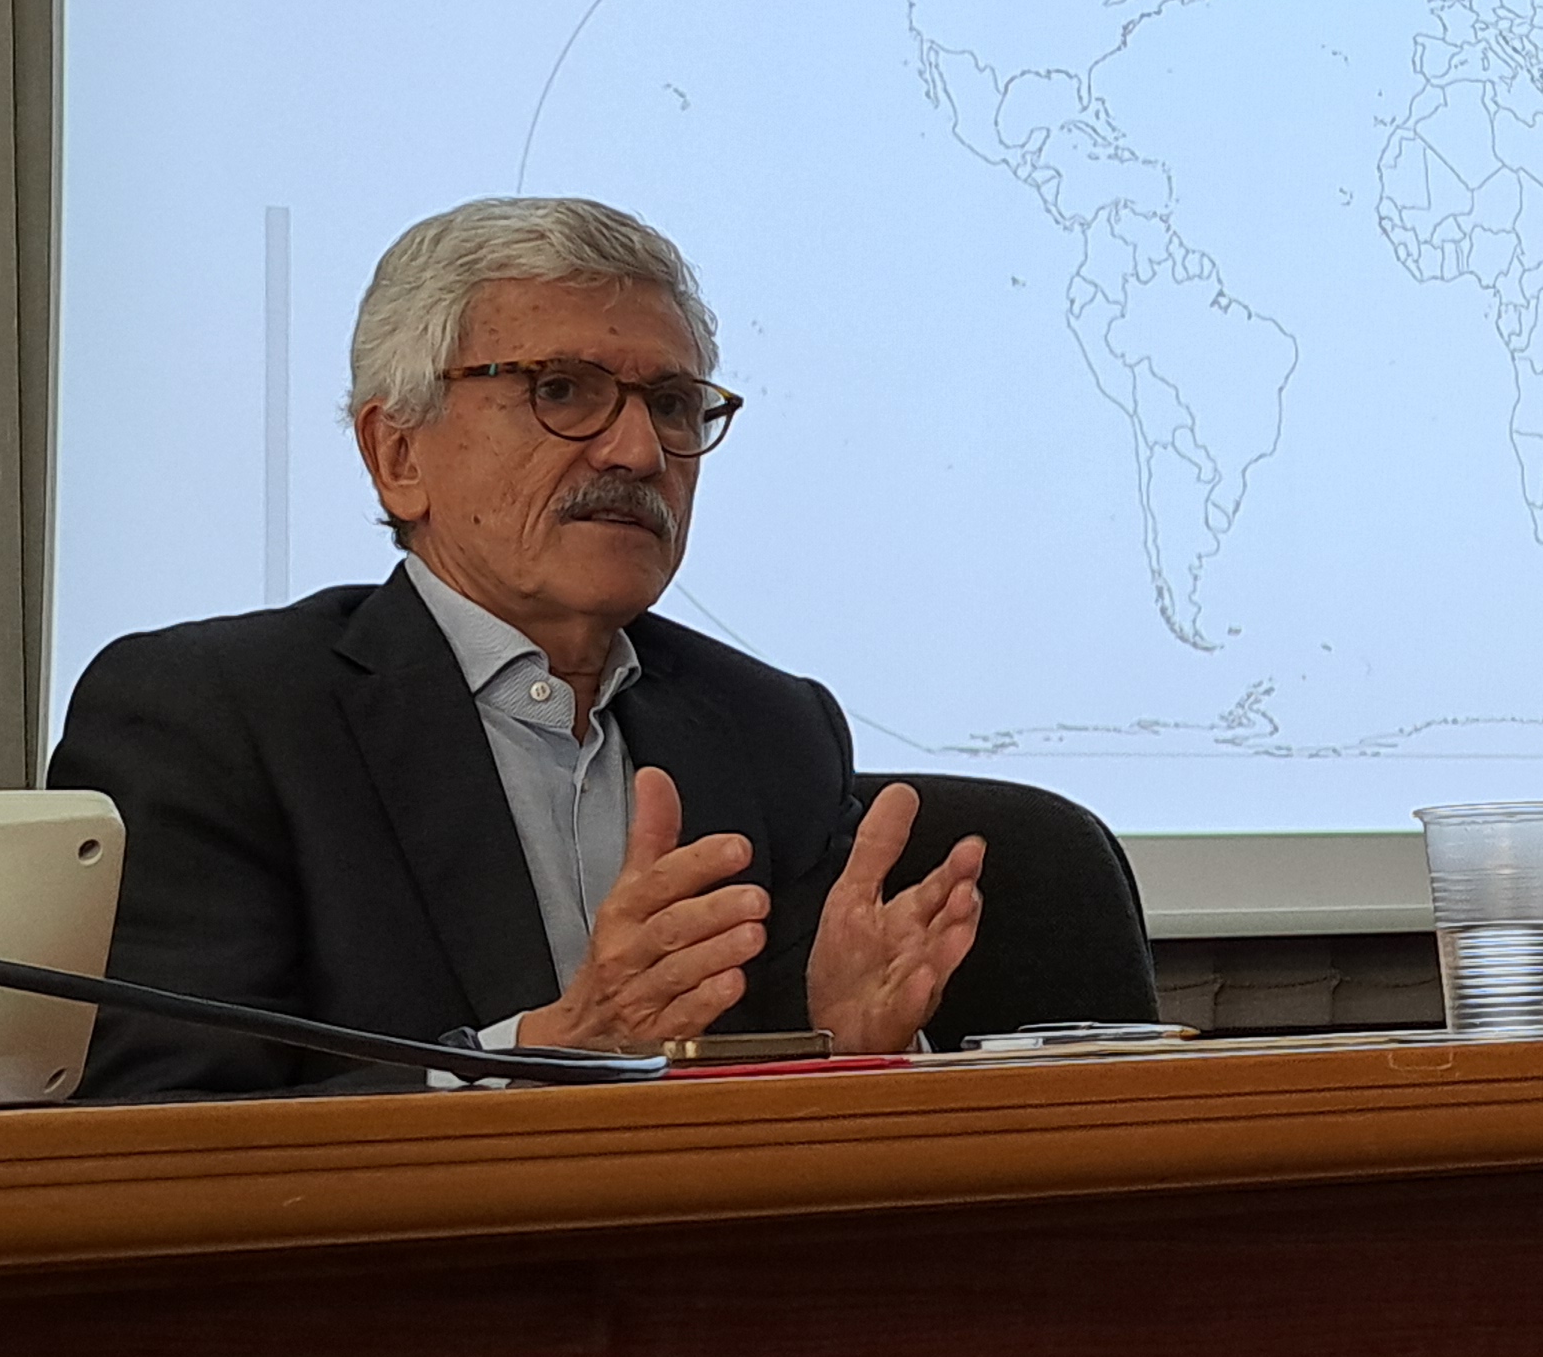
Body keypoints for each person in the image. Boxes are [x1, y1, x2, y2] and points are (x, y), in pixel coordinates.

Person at [53, 197, 986, 1096]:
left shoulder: (771, 728)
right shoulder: (213, 718)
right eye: (562, 391)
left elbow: (792, 1102)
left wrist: (850, 1053)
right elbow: (160, 1118)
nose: (638, 452)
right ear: (398, 456)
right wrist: (545, 1053)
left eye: (671, 404)